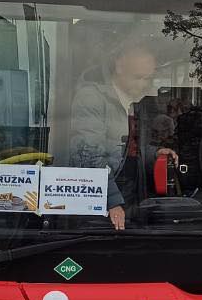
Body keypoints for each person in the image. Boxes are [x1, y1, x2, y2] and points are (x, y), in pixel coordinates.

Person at [68, 43, 178, 230]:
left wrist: (156, 153)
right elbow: (88, 156)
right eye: (137, 77)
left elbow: (128, 150)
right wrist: (111, 201)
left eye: (148, 79)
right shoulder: (91, 99)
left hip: (132, 198)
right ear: (119, 66)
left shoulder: (136, 103)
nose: (143, 84)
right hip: (101, 205)